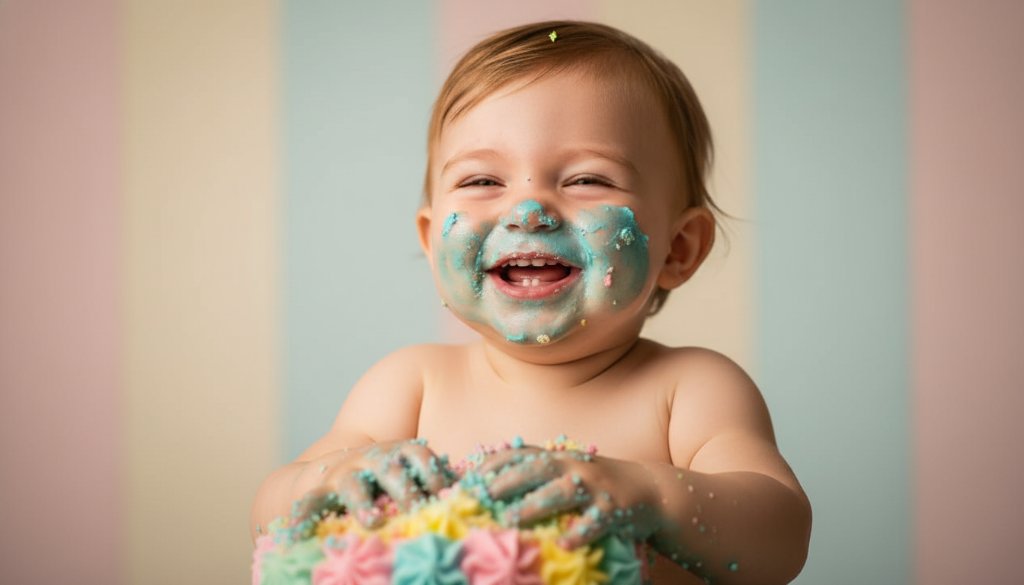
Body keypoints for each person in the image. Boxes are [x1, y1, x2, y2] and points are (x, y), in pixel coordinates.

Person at [251, 20, 811, 584]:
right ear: (429, 239)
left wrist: (647, 495)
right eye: (481, 182)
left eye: (587, 178)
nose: (528, 210)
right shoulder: (411, 386)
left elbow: (781, 533)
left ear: (679, 248)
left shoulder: (689, 390)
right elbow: (271, 512)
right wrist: (325, 482)